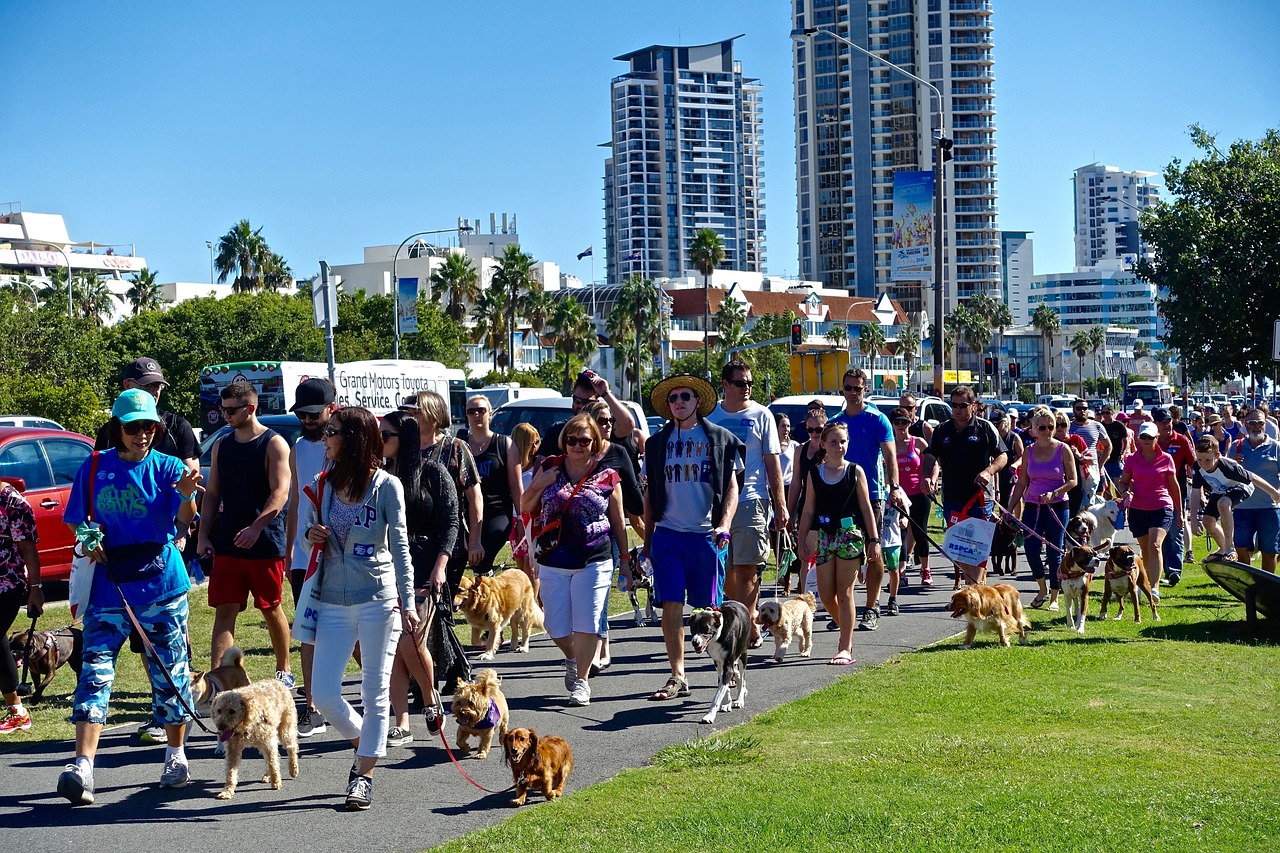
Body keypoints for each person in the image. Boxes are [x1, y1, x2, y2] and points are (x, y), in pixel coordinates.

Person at [58, 389, 204, 803]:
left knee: (170, 672)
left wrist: (189, 494)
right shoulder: (94, 468)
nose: (142, 434)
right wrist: (89, 539)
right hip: (108, 588)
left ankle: (175, 756)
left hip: (161, 586)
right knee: (95, 673)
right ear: (117, 429)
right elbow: (78, 521)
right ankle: (82, 767)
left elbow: (184, 519)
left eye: (149, 427)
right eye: (133, 427)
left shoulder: (169, 466)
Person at [301, 408, 420, 811]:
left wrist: (409, 601)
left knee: (374, 691)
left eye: (331, 432)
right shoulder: (323, 485)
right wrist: (310, 535)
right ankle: (365, 741)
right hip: (332, 600)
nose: (325, 438)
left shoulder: (388, 486)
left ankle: (363, 775)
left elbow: (400, 548)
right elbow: (305, 542)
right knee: (323, 693)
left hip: (378, 601)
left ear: (352, 438)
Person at [94, 356, 199, 744]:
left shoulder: (176, 429)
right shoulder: (106, 439)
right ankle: (159, 706)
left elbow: (188, 481)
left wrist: (184, 523)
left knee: (171, 648)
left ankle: (173, 723)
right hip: (118, 570)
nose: (154, 392)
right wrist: (91, 534)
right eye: (147, 385)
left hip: (165, 552)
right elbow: (97, 492)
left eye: (157, 387)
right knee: (138, 642)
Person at [642, 374, 742, 702]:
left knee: (709, 608)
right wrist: (648, 538)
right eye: (673, 398)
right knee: (671, 603)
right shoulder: (656, 444)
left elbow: (731, 486)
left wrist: (724, 524)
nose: (679, 402)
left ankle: (724, 669)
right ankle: (677, 675)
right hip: (668, 534)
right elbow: (649, 493)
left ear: (697, 401)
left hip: (706, 537)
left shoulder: (720, 439)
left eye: (685, 396)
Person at [523, 414, 628, 706]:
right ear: (564, 441)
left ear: (595, 442)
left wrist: (626, 561)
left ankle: (582, 682)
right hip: (554, 558)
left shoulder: (607, 475)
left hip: (595, 557)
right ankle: (571, 656)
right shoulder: (549, 467)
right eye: (572, 440)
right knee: (555, 625)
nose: (577, 446)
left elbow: (618, 522)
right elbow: (525, 505)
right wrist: (539, 482)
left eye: (584, 440)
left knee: (589, 621)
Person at [197, 381, 294, 686]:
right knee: (224, 609)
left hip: (264, 543)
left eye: (230, 410)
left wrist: (257, 527)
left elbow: (280, 492)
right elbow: (211, 494)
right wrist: (203, 535)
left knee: (271, 607)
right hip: (228, 543)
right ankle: (219, 678)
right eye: (221, 409)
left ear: (250, 409)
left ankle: (284, 668)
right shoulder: (222, 445)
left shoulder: (274, 443)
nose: (224, 415)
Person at [381, 411, 457, 746]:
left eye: (386, 436)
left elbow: (451, 522)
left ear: (405, 438)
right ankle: (402, 721)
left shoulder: (433, 473)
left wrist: (441, 565)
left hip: (424, 568)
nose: (380, 441)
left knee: (410, 641)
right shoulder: (380, 476)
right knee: (395, 648)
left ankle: (430, 698)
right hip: (386, 570)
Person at [706, 360, 787, 647]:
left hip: (752, 499)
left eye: (750, 383)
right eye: (740, 383)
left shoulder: (762, 415)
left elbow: (772, 461)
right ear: (725, 384)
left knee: (748, 567)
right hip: (715, 503)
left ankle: (748, 628)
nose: (747, 388)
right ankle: (740, 617)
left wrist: (780, 504)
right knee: (724, 570)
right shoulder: (709, 415)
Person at [797, 422, 879, 665]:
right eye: (833, 442)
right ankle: (848, 628)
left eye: (843, 441)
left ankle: (845, 646)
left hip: (849, 537)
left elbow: (866, 508)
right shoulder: (814, 473)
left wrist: (873, 540)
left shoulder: (855, 472)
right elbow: (808, 509)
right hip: (824, 537)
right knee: (825, 594)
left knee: (845, 593)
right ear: (823, 444)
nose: (839, 446)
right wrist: (801, 540)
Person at [831, 368, 906, 631]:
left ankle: (872, 607)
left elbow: (890, 457)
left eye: (857, 388)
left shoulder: (878, 419)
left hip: (872, 495)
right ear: (842, 389)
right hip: (842, 496)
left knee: (874, 552)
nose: (852, 393)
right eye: (848, 388)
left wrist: (894, 487)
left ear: (865, 390)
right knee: (844, 552)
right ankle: (845, 607)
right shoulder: (837, 421)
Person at [284, 378, 337, 738]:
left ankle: (381, 694)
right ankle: (312, 707)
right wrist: (290, 553)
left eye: (313, 414)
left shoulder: (349, 444)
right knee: (307, 629)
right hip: (305, 555)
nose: (306, 420)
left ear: (331, 408)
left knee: (354, 633)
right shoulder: (298, 447)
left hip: (341, 554)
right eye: (301, 414)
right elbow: (293, 505)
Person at [920, 385, 1007, 588]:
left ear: (973, 405)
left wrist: (989, 471)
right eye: (954, 405)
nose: (957, 409)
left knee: (976, 548)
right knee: (960, 550)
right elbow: (930, 456)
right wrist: (926, 476)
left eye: (962, 405)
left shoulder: (985, 428)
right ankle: (976, 587)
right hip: (952, 497)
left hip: (979, 497)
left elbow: (1003, 455)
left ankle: (975, 590)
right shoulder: (942, 430)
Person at [584, 399, 645, 670]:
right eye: (602, 421)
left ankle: (601, 647)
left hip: (607, 535)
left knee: (599, 596)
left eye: (610, 421)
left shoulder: (618, 453)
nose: (608, 425)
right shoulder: (575, 452)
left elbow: (635, 500)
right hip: (574, 538)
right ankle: (589, 646)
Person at [404, 390, 483, 596]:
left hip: (449, 540)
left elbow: (474, 497)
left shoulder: (455, 448)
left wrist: (474, 541)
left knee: (440, 605)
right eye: (408, 413)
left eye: (416, 413)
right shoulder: (403, 448)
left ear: (432, 414)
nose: (410, 418)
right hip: (412, 540)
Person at [1008, 405, 1077, 611]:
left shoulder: (1063, 449)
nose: (1047, 431)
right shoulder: (1029, 451)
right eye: (1042, 427)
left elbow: (1072, 480)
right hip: (1033, 504)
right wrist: (1010, 508)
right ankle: (1042, 588)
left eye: (1050, 427)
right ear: (1034, 429)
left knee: (1054, 550)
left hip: (1057, 505)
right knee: (1030, 548)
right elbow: (1022, 483)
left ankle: (1055, 596)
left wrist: (1054, 493)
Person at [1115, 423, 1181, 596]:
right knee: (1145, 548)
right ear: (1138, 438)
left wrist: (1180, 512)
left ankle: (1155, 587)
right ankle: (1147, 582)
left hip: (1161, 506)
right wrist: (1125, 492)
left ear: (1156, 438)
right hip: (1138, 507)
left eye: (1149, 437)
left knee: (1155, 545)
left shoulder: (1166, 458)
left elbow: (1174, 486)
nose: (1146, 440)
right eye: (1143, 437)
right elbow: (1123, 482)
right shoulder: (1131, 459)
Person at [1191, 435, 1280, 562]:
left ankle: (1230, 548)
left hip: (1242, 487)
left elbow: (1253, 477)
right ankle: (1223, 549)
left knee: (1223, 503)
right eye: (1199, 459)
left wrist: (1273, 492)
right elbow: (1195, 492)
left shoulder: (1227, 466)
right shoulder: (1197, 467)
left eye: (1207, 460)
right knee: (1208, 521)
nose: (1203, 464)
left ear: (1217, 456)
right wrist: (1193, 518)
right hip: (1221, 489)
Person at [464, 395, 523, 577]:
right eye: (471, 411)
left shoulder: (504, 444)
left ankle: (485, 589)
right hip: (468, 512)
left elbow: (516, 485)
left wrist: (521, 518)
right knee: (467, 559)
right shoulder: (461, 444)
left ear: (490, 413)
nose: (476, 415)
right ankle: (484, 589)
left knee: (482, 556)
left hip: (497, 512)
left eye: (481, 410)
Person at [0, 478, 42, 736]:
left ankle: (17, 710)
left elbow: (29, 549)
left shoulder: (12, 502)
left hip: (8, 584)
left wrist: (36, 589)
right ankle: (15, 708)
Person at [542, 371, 643, 462]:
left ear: (596, 403)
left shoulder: (604, 426)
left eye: (586, 402)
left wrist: (605, 393)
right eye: (571, 440)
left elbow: (628, 424)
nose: (580, 405)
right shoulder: (557, 430)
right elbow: (540, 467)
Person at [784, 406, 829, 596]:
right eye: (809, 430)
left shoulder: (831, 448)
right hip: (806, 507)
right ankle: (804, 597)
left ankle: (827, 597)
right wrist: (788, 511)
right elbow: (795, 483)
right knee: (806, 555)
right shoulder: (800, 449)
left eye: (818, 430)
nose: (814, 434)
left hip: (827, 506)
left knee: (826, 556)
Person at [1232, 410, 1280, 573]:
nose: (1256, 427)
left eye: (1260, 423)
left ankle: (1265, 588)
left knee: (1269, 550)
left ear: (1265, 424)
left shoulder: (1276, 447)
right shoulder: (1236, 446)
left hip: (1269, 507)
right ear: (1245, 425)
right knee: (1240, 548)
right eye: (1252, 423)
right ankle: (1248, 585)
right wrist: (1232, 462)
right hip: (1241, 508)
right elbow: (1224, 476)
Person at [892, 407, 934, 587]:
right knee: (899, 534)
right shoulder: (888, 445)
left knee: (920, 531)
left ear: (910, 423)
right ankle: (901, 573)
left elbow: (934, 463)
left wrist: (931, 480)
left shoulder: (918, 443)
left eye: (905, 422)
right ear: (892, 425)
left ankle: (925, 569)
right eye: (898, 422)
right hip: (897, 495)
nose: (902, 426)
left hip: (919, 493)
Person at [1152, 407, 1194, 586]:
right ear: (1155, 424)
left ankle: (1174, 571)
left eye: (1168, 421)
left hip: (1177, 494)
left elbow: (1193, 464)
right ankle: (1159, 570)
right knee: (1157, 535)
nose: (1166, 425)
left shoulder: (1182, 441)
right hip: (1153, 495)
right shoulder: (1149, 442)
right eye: (1162, 422)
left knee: (1175, 532)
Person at [509, 423, 542, 595]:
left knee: (532, 566)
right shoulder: (513, 467)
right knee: (521, 566)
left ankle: (534, 603)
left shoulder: (538, 467)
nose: (537, 445)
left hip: (531, 519)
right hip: (515, 519)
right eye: (534, 442)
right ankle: (526, 602)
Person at [990, 410, 1024, 578]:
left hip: (1009, 476)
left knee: (1007, 509)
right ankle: (996, 542)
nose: (996, 426)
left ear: (1004, 422)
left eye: (998, 423)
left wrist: (1016, 464)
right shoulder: (992, 436)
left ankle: (1011, 537)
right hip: (994, 476)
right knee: (995, 512)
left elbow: (1022, 456)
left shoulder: (1013, 437)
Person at [1068, 399, 1110, 508]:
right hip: (1072, 469)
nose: (1082, 411)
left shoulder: (1097, 426)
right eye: (1078, 408)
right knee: (1073, 503)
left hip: (1091, 470)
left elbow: (1108, 446)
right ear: (1073, 410)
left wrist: (1100, 464)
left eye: (1085, 408)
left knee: (1089, 504)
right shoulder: (1067, 426)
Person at [1054, 413, 1089, 518]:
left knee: (1073, 518)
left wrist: (1079, 455)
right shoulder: (1048, 442)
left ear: (1068, 426)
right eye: (1057, 425)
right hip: (1054, 485)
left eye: (1063, 425)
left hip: (1074, 486)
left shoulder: (1075, 439)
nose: (1060, 427)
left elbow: (1091, 460)